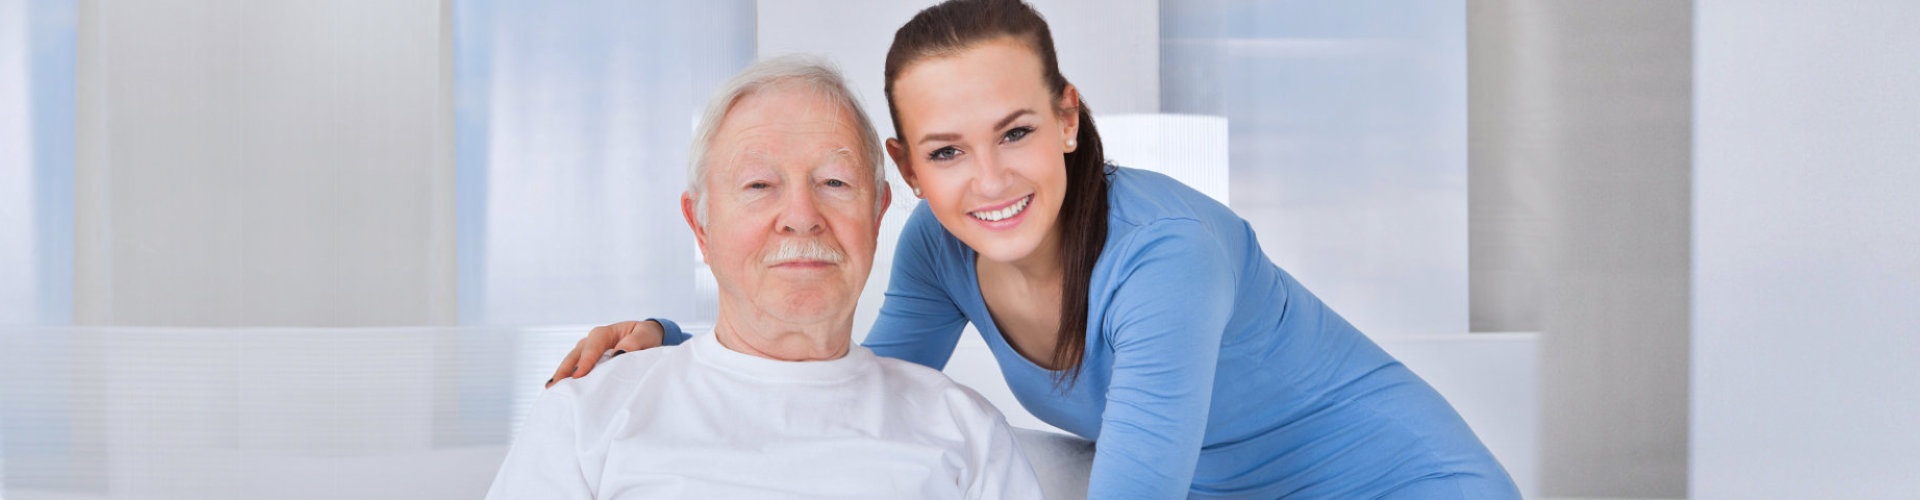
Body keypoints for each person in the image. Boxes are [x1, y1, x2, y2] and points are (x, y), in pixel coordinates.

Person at [552, 0, 1522, 497]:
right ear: (908, 167)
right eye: (946, 151)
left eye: (1014, 131)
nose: (989, 181)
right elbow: (864, 384)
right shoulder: (940, 245)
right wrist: (689, 340)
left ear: (1067, 116)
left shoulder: (1165, 254)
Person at [489, 55, 1043, 500]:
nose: (801, 215)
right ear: (700, 226)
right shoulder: (588, 413)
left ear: (877, 217)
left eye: (833, 181)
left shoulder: (965, 430)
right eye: (758, 185)